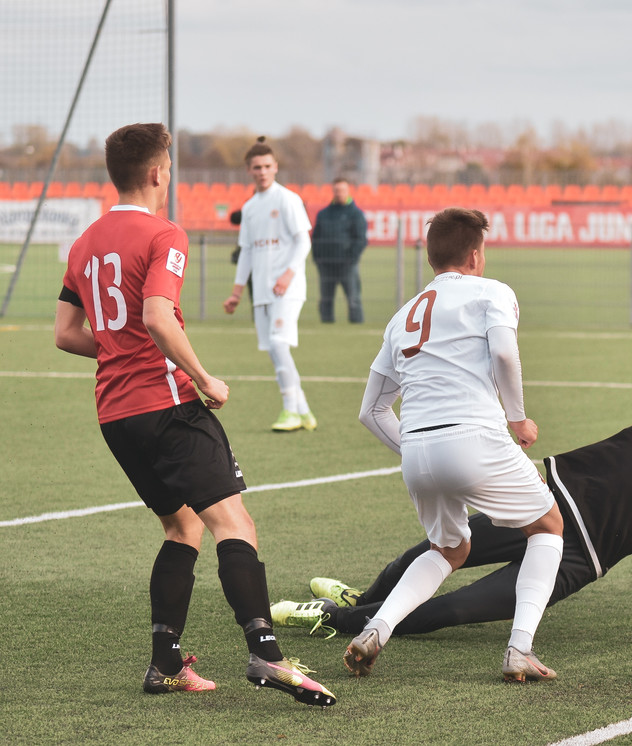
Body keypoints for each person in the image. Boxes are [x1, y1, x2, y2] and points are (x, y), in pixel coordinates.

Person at [269, 290, 632, 646]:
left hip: (579, 560)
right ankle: (359, 601)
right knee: (429, 551)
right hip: (539, 505)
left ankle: (332, 618)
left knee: (448, 609)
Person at [53, 123, 336, 707]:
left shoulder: (84, 244)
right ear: (158, 172)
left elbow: (66, 335)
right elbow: (158, 314)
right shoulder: (164, 234)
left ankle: (166, 665)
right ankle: (267, 657)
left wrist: (118, 350)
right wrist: (204, 377)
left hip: (116, 415)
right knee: (236, 526)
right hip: (169, 405)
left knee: (182, 528)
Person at [336, 207, 566, 683]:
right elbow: (504, 350)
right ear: (476, 255)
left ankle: (377, 626)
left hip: (417, 449)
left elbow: (371, 411)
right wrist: (518, 417)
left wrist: (422, 450)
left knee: (449, 549)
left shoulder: (403, 316)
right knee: (547, 525)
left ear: (429, 256)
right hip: (476, 436)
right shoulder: (492, 291)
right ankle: (519, 649)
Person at [222, 137, 316, 432]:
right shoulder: (250, 207)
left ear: (275, 167)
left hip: (287, 289)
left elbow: (304, 241)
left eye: (267, 166)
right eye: (256, 167)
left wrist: (288, 274)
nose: (262, 171)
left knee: (278, 343)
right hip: (262, 291)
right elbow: (247, 251)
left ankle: (289, 410)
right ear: (249, 171)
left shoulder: (287, 199)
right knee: (274, 347)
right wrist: (237, 292)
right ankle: (304, 412)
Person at [311, 177, 368, 323]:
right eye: (336, 190)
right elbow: (316, 238)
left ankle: (356, 327)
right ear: (332, 191)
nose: (339, 193)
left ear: (348, 191)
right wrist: (318, 259)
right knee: (326, 300)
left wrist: (351, 258)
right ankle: (326, 326)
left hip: (347, 265)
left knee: (353, 300)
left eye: (342, 190)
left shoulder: (356, 214)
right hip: (326, 265)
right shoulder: (323, 214)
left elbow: (361, 239)